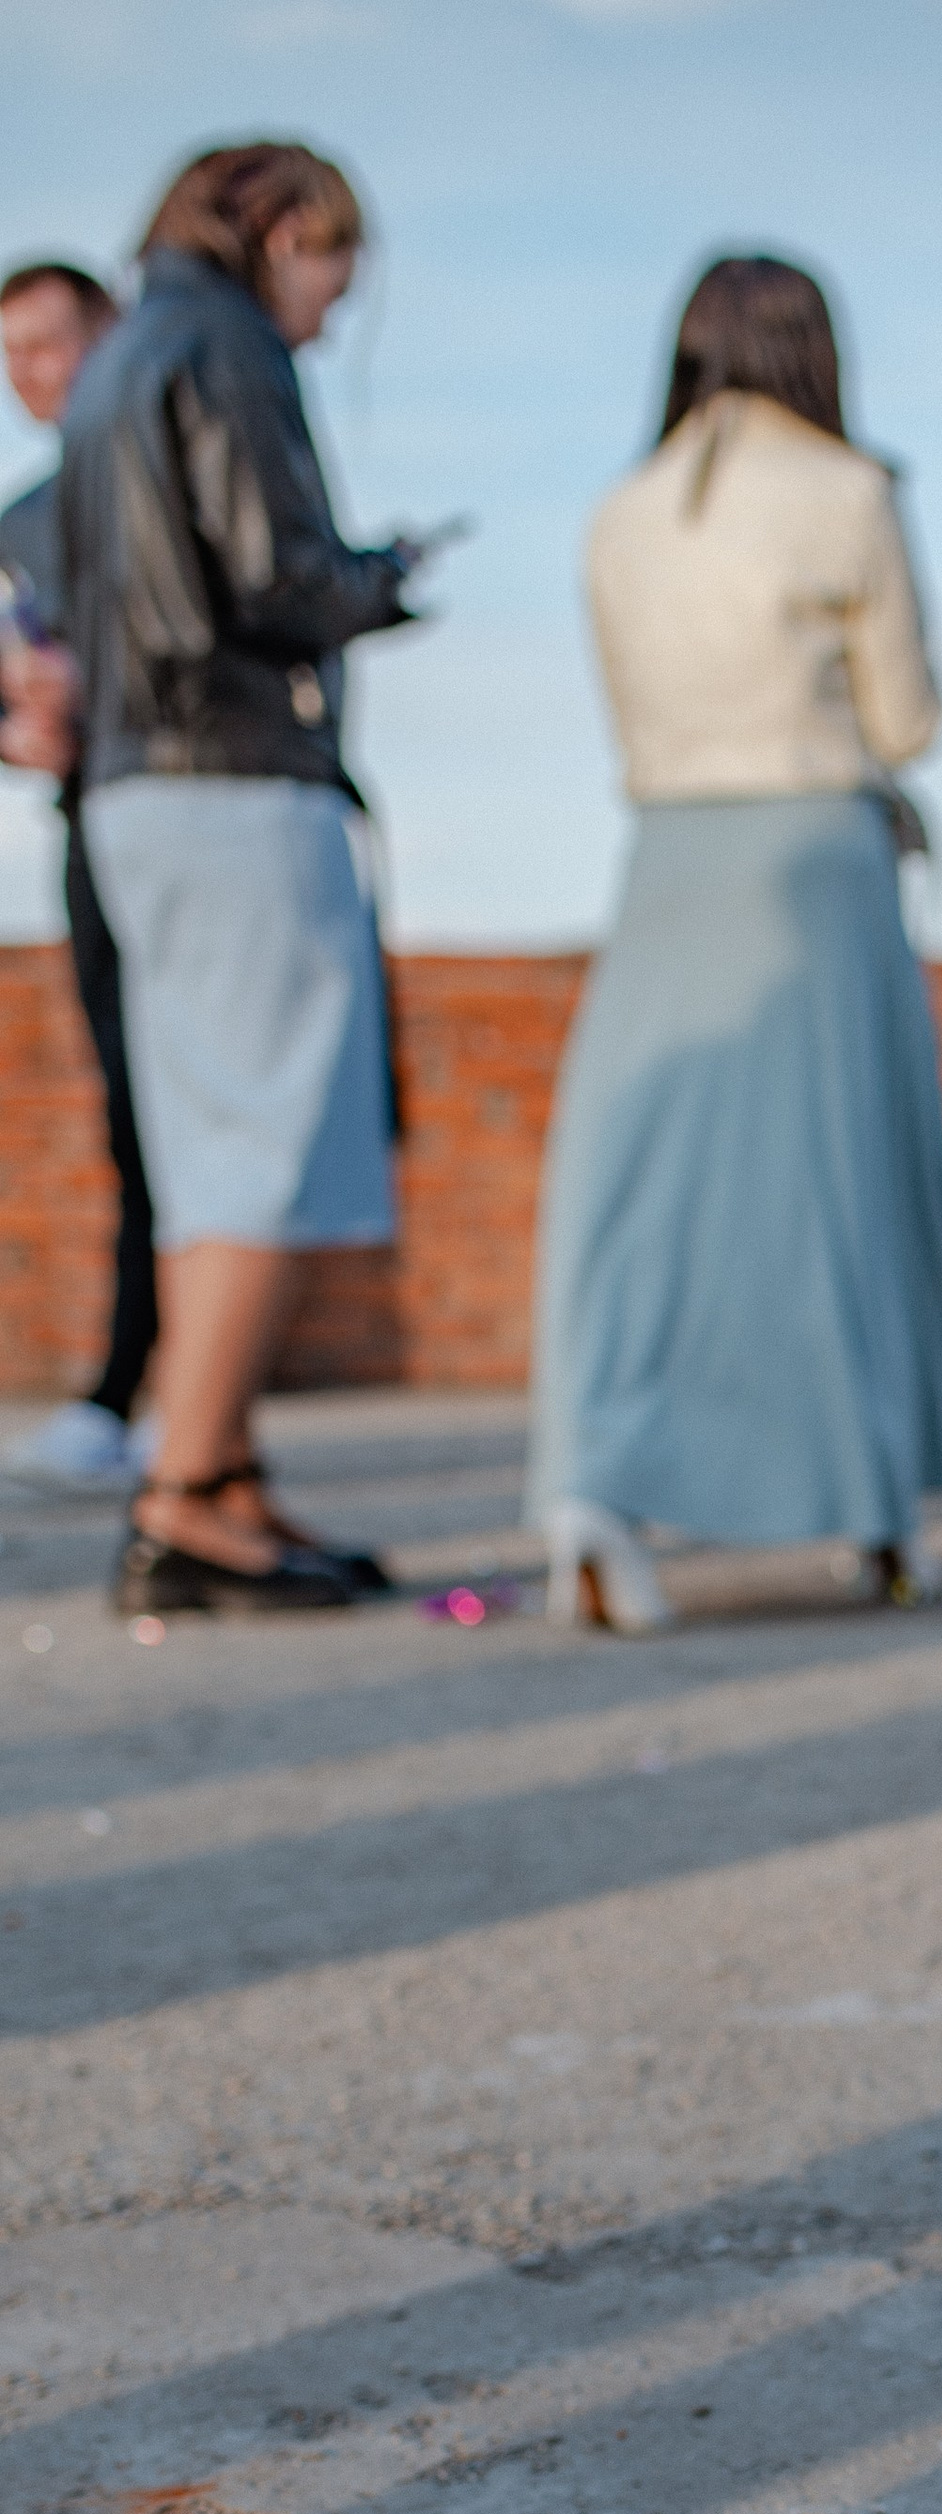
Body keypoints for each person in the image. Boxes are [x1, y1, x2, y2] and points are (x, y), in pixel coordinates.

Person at [529, 254, 942, 1630]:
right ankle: (876, 1509)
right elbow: (907, 721)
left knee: (637, 1193)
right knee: (843, 1185)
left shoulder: (618, 513)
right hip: (815, 858)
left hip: (666, 859)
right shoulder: (851, 491)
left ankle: (591, 1498)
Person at [55, 142, 426, 1612]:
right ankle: (188, 1497)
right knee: (265, 1152)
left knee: (207, 1152)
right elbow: (274, 576)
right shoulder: (226, 347)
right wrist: (380, 580)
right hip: (234, 776)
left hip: (134, 789)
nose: (337, 306)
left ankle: (220, 1476)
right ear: (274, 229)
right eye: (334, 260)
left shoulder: (117, 359)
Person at [0, 258, 162, 1497]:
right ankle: (129, 1388)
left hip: (183, 813)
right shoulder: (19, 528)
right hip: (89, 828)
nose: (34, 375)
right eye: (14, 358)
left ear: (109, 333)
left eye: (52, 343)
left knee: (200, 1118)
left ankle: (167, 1389)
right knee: (128, 1114)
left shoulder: (162, 482)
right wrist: (22, 730)